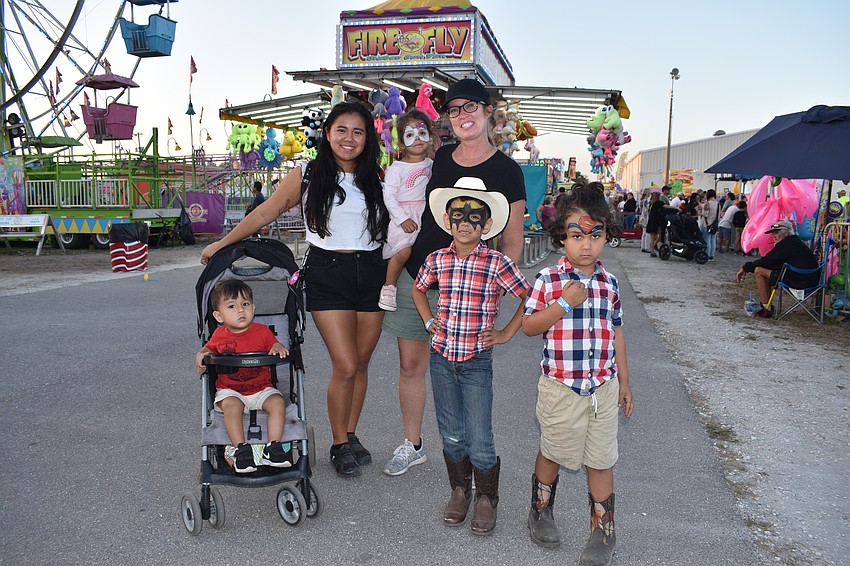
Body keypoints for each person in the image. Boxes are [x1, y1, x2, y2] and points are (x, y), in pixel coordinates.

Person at [201, 102, 389, 478]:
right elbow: (263, 213)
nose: (349, 139)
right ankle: (338, 443)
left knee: (362, 364)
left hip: (373, 272)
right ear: (328, 134)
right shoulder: (308, 173)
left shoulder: (377, 177)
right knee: (346, 364)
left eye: (358, 131)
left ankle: (351, 433)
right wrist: (221, 245)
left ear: (368, 138)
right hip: (327, 273)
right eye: (341, 130)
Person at [381, 78, 526, 478]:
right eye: (454, 109)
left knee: (467, 377)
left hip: (472, 287)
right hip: (422, 277)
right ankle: (413, 445)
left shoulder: (507, 169)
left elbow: (512, 242)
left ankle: (474, 464)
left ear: (487, 112)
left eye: (470, 107)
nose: (463, 116)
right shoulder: (440, 157)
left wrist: (492, 295)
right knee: (412, 365)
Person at [522, 182, 633, 561]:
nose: (586, 245)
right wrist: (563, 305)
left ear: (606, 236)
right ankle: (541, 510)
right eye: (576, 235)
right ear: (561, 238)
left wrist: (625, 383)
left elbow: (616, 329)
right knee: (553, 451)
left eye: (595, 235)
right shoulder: (548, 280)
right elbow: (529, 326)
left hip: (602, 386)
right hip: (561, 387)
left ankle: (603, 531)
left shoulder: (609, 283)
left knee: (601, 459)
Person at [412, 178, 529, 535]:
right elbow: (419, 290)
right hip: (442, 357)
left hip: (477, 359)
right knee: (450, 431)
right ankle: (460, 491)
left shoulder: (497, 263)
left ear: (486, 225)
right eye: (458, 215)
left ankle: (486, 499)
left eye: (474, 217)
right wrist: (429, 320)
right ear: (448, 221)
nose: (465, 222)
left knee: (479, 433)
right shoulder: (437, 259)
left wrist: (507, 332)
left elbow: (530, 296)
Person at [195, 280, 292, 473]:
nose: (240, 310)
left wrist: (277, 347)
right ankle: (241, 449)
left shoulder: (263, 332)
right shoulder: (219, 335)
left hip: (261, 388)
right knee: (232, 406)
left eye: (245, 305)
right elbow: (208, 349)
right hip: (231, 391)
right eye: (232, 306)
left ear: (253, 308)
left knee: (278, 402)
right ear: (218, 315)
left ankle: (273, 447)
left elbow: (275, 345)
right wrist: (201, 355)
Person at [378, 109, 435, 312]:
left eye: (422, 133)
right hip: (403, 215)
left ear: (430, 137)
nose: (417, 139)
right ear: (401, 143)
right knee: (403, 251)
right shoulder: (397, 168)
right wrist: (401, 219)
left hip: (424, 214)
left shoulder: (433, 165)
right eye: (410, 135)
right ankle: (389, 287)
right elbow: (389, 196)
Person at [736, 219, 820, 318]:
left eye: (777, 233)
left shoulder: (787, 244)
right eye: (773, 233)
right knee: (766, 270)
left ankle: (766, 308)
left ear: (786, 233)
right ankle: (767, 306)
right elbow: (772, 262)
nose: (774, 236)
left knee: (759, 270)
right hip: (806, 278)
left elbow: (768, 260)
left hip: (802, 281)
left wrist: (745, 267)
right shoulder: (794, 242)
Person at [700, 189, 720, 260]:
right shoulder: (718, 204)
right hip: (714, 224)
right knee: (713, 240)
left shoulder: (707, 203)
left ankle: (707, 255)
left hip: (706, 224)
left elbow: (705, 214)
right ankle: (711, 255)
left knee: (706, 240)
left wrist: (700, 212)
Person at [645, 192, 664, 257]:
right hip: (656, 222)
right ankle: (653, 248)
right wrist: (676, 208)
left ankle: (652, 250)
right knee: (660, 235)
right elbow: (666, 206)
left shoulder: (651, 204)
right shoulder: (658, 203)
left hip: (651, 221)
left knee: (652, 238)